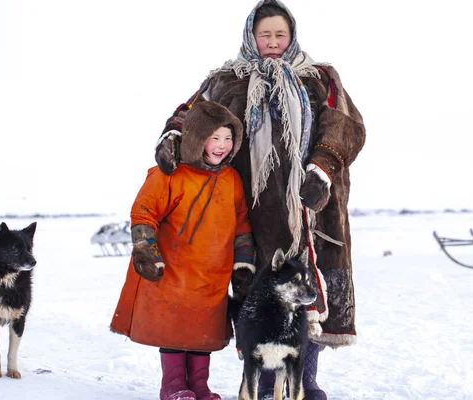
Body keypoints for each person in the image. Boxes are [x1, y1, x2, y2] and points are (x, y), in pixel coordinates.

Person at [154, 1, 366, 399]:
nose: (272, 42)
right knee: (257, 289)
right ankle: (263, 380)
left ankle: (305, 378)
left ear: (292, 35)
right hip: (251, 207)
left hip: (313, 207)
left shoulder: (320, 78)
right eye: (264, 34)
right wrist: (172, 136)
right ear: (252, 36)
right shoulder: (226, 80)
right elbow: (193, 113)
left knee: (308, 289)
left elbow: (346, 125)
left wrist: (321, 168)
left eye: (280, 35)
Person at [110, 101, 256, 400]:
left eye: (228, 138)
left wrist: (243, 264)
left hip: (213, 274)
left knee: (203, 332)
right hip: (174, 269)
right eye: (214, 138)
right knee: (175, 329)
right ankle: (173, 386)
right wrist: (146, 249)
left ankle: (199, 387)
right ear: (197, 137)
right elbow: (144, 211)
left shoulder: (232, 180)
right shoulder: (170, 174)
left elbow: (241, 224)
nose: (222, 146)